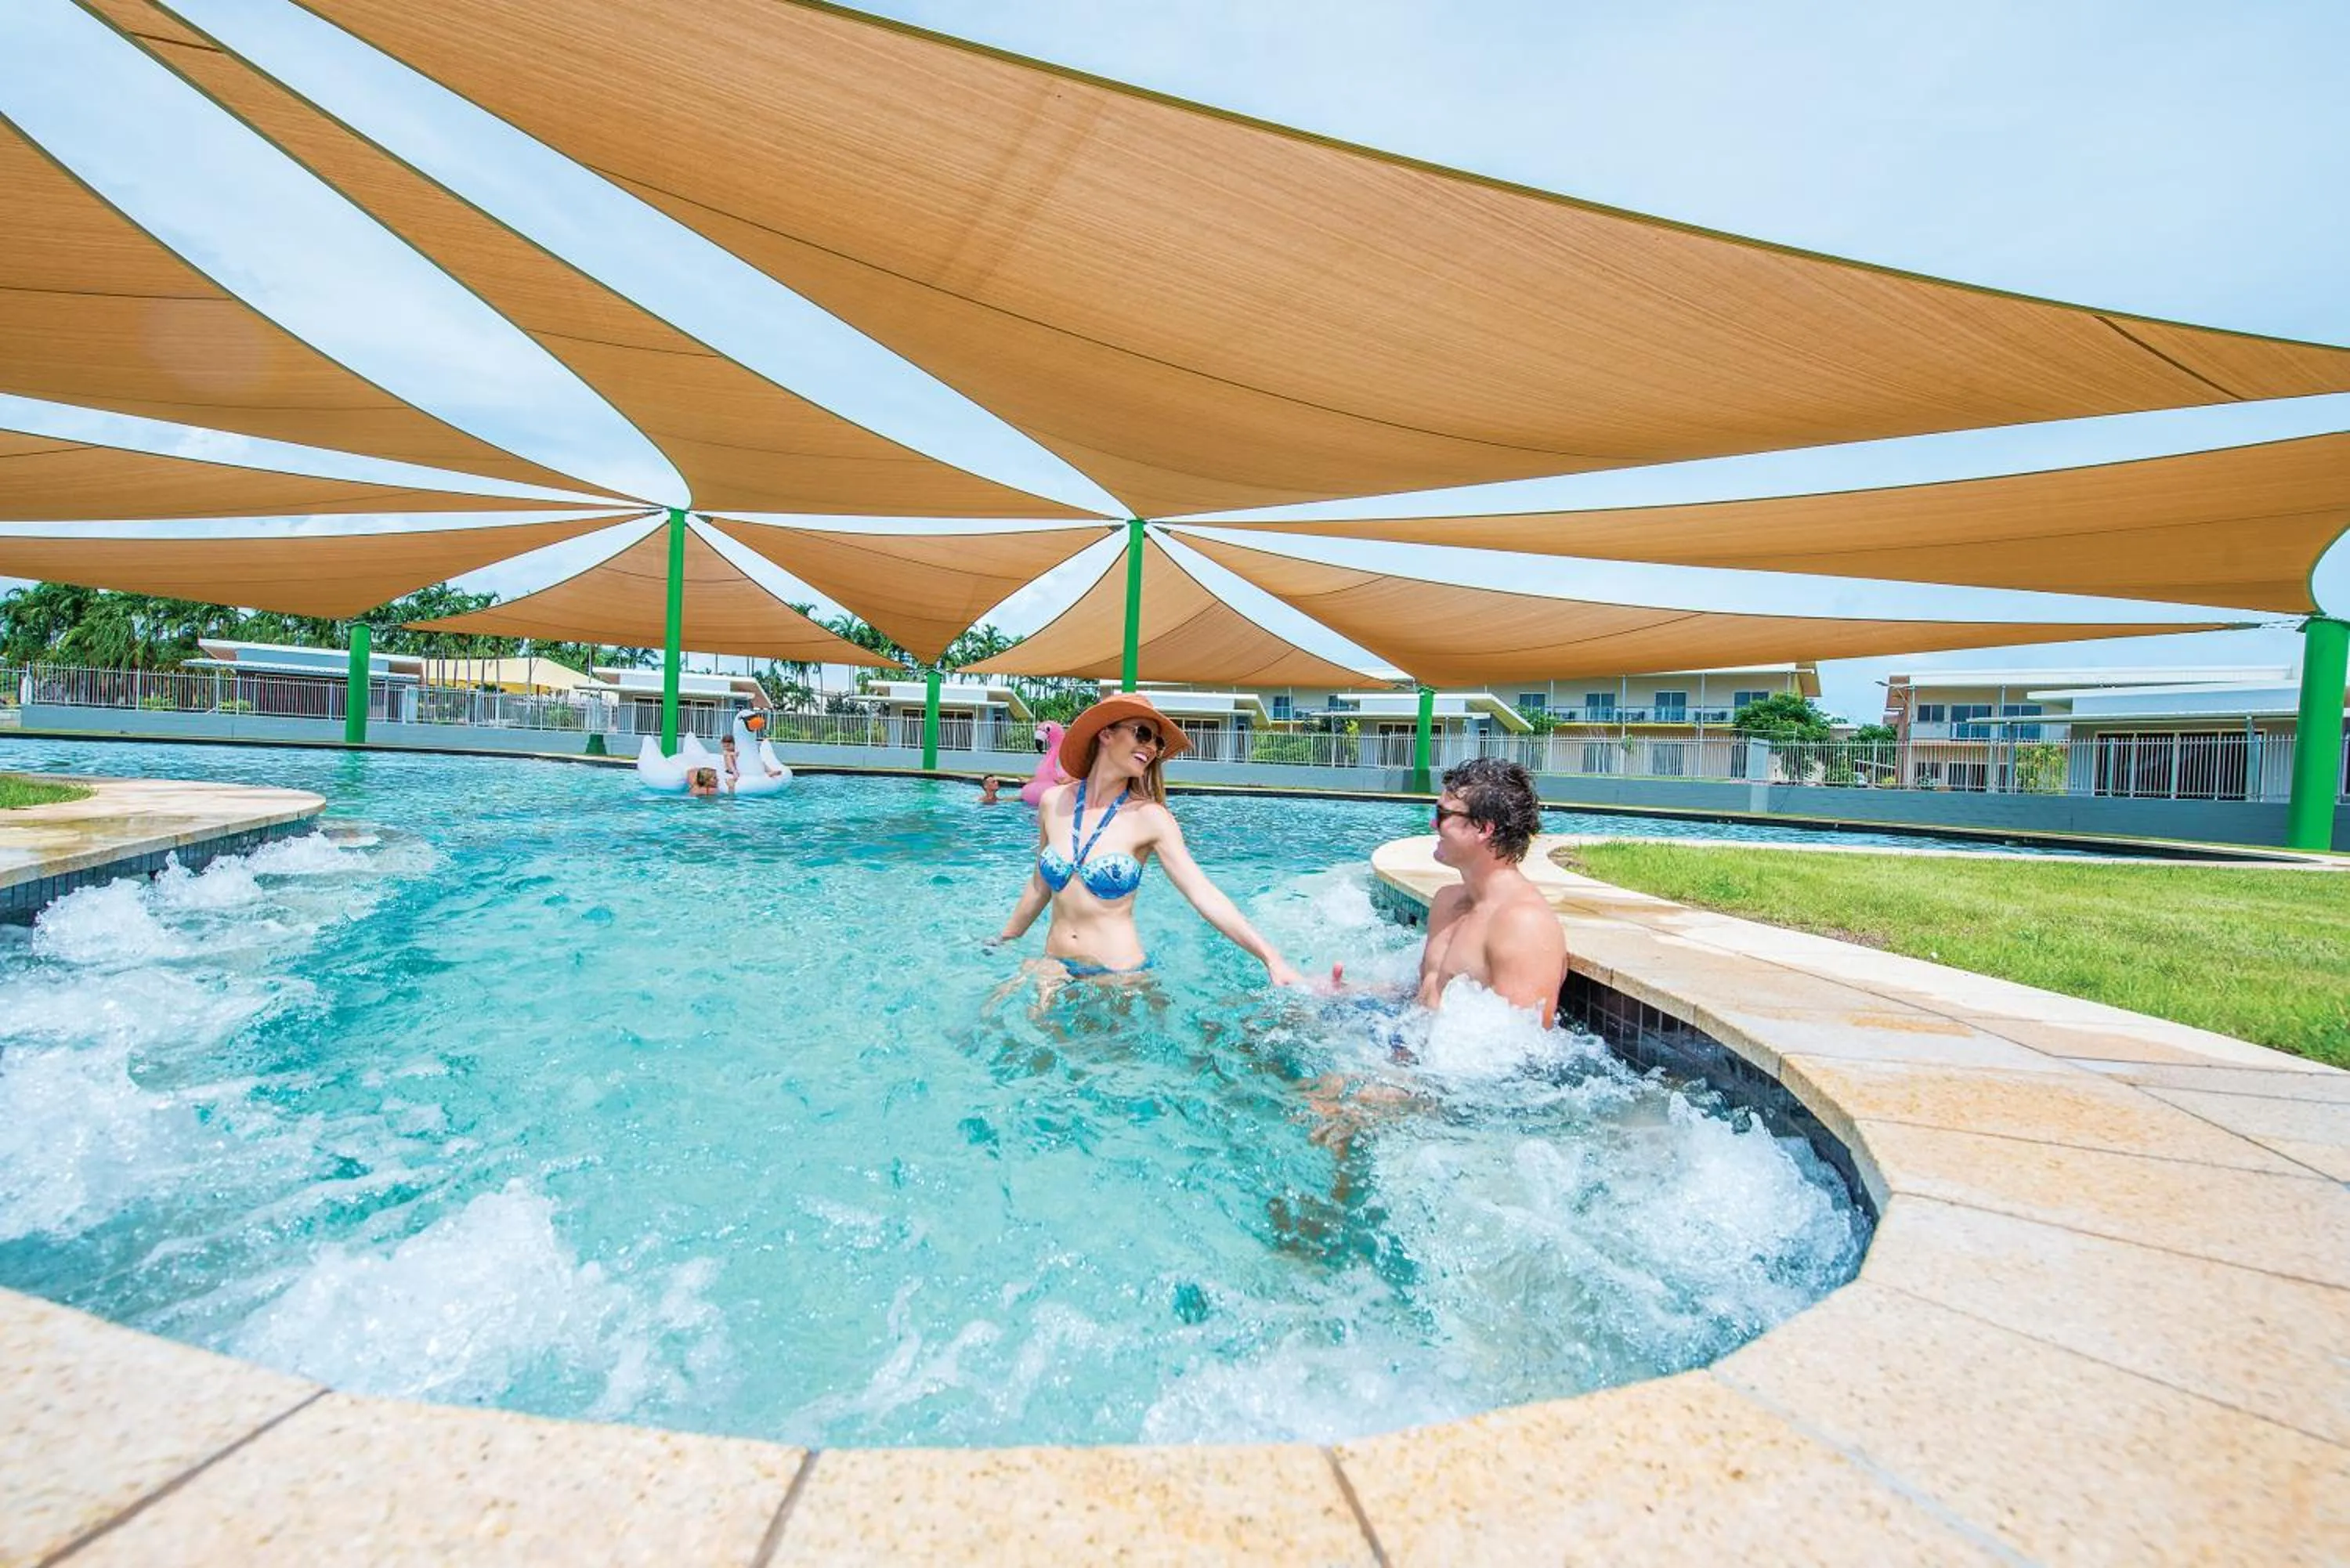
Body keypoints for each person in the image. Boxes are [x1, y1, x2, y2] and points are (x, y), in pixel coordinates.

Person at [992, 694, 1303, 985]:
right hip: (1055, 965)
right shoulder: (1053, 802)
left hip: (1119, 976)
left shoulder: (1150, 817)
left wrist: (1271, 959)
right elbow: (1038, 887)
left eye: (1157, 741)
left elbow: (1202, 893)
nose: (1152, 747)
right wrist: (1001, 941)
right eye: (1143, 733)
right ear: (1106, 734)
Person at [1413, 756, 1566, 1023]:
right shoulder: (1447, 901)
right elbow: (1425, 996)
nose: (1432, 824)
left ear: (1483, 828)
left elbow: (1519, 1050)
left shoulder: (1523, 925)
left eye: (1442, 815)